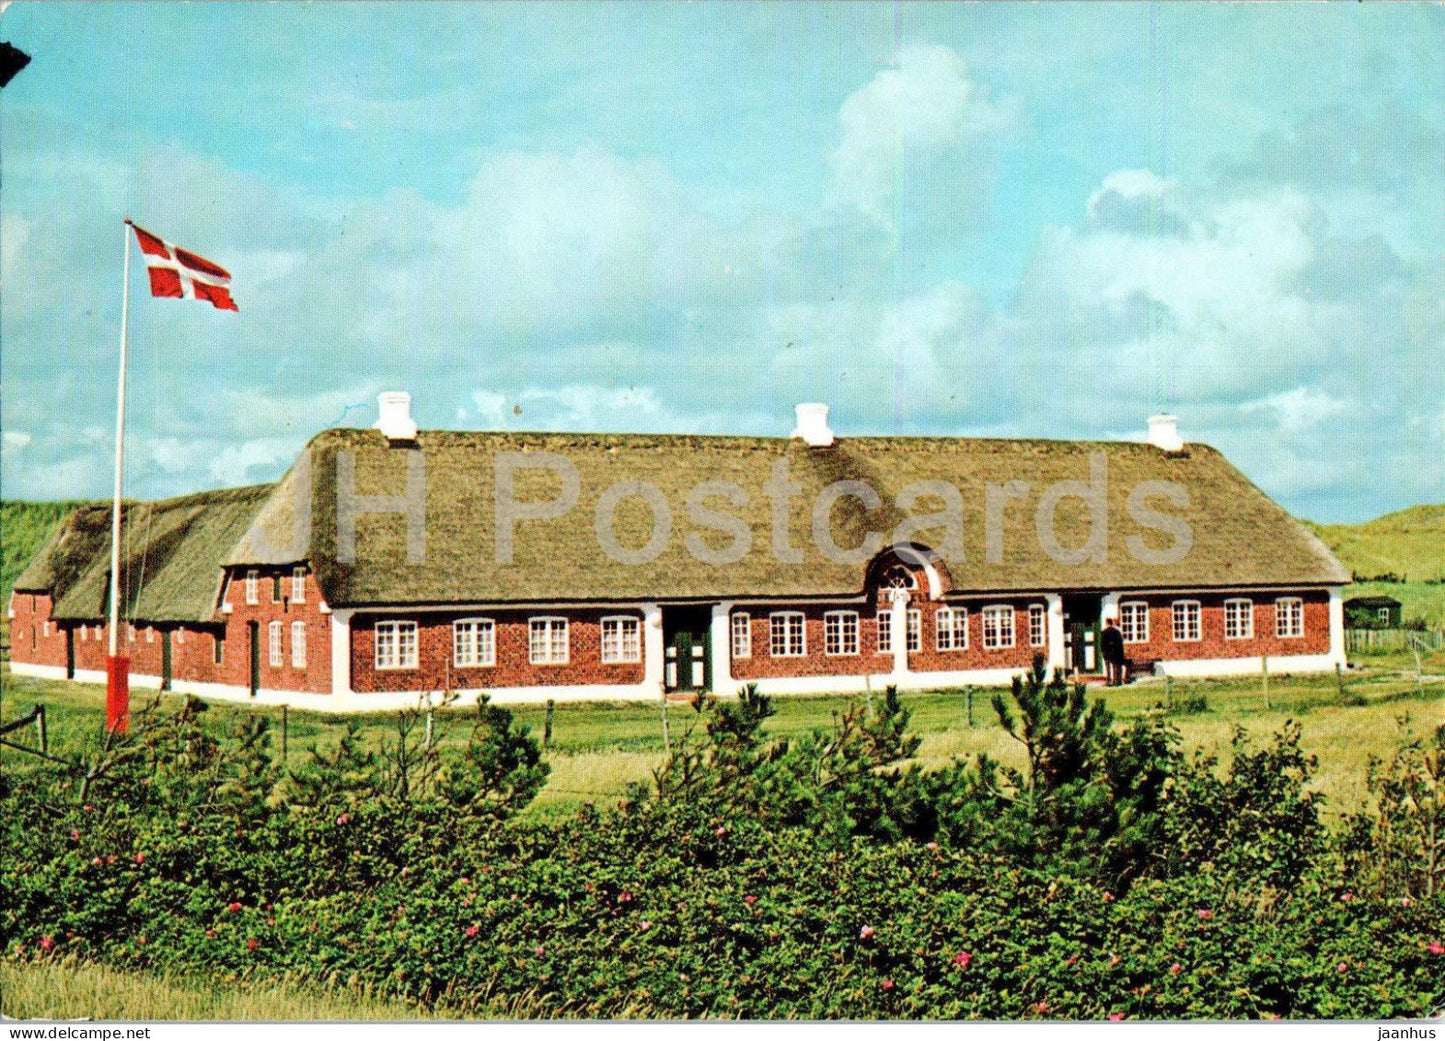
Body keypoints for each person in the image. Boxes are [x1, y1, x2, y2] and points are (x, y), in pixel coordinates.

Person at [1100, 617, 1126, 686]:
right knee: (1115, 667)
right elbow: (1120, 642)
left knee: (1108, 667)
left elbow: (1102, 643)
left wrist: (1103, 651)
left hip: (1107, 652)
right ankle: (1116, 681)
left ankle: (1108, 681)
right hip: (1115, 651)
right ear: (1111, 623)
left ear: (1107, 623)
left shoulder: (1104, 632)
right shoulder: (1117, 632)